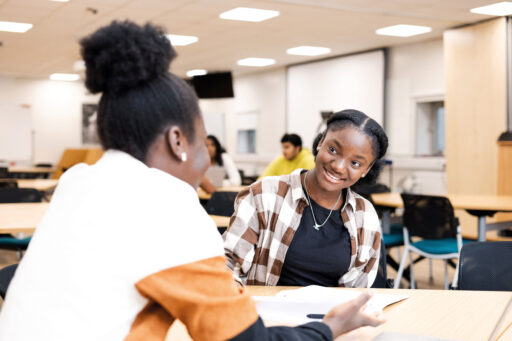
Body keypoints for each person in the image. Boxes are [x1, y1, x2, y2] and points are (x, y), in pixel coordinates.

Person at [0, 22, 384, 340]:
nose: (207, 158)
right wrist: (331, 326)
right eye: (204, 143)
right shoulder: (170, 209)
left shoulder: (77, 181)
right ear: (178, 142)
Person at [224, 109, 388, 288]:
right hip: (268, 312)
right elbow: (227, 263)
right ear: (321, 141)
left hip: (332, 315)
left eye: (355, 163)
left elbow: (360, 289)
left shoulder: (365, 215)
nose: (339, 167)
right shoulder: (264, 194)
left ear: (367, 169)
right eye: (333, 150)